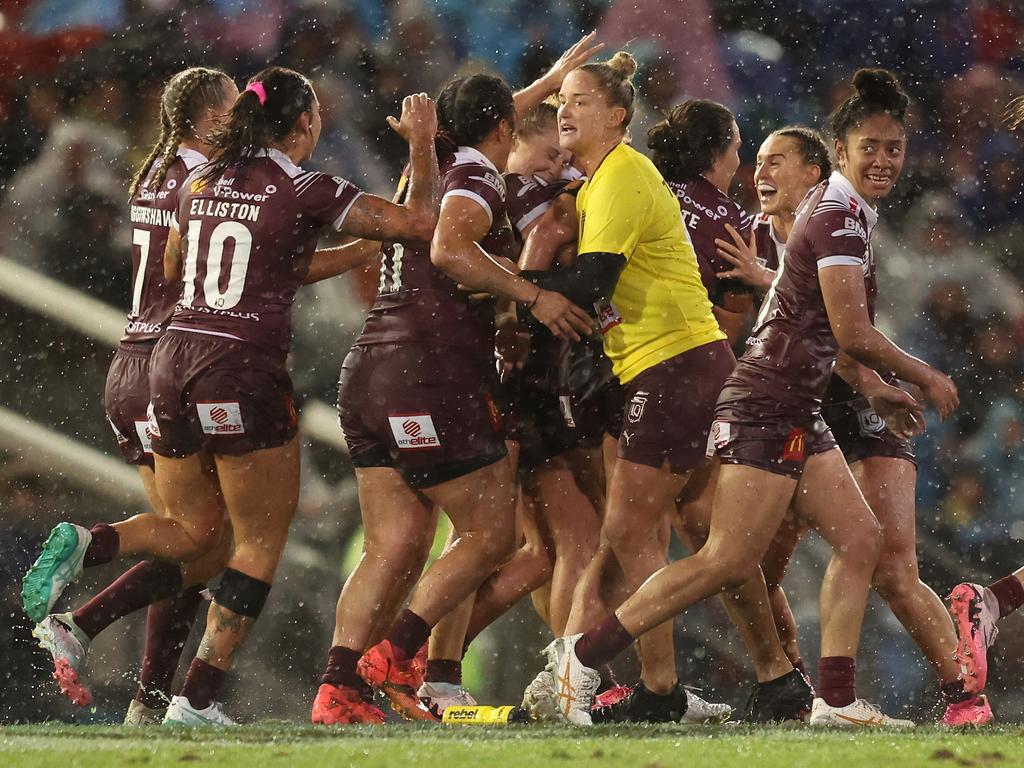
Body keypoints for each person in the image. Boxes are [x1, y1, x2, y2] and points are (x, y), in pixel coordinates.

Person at [532, 67, 960, 728]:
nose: (883, 159)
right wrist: (922, 375)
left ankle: (834, 703)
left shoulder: (830, 215)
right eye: (868, 146)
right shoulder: (835, 216)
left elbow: (812, 325)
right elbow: (846, 329)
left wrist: (873, 382)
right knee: (720, 556)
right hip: (762, 397)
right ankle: (586, 656)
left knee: (859, 540)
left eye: (893, 147)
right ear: (838, 155)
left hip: (784, 398)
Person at [23, 65, 443, 725]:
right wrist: (421, 143)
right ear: (304, 123)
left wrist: (329, 254)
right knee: (258, 541)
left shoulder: (196, 178)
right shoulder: (301, 183)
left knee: (197, 537)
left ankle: (93, 553)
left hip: (167, 360)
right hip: (240, 365)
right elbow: (421, 222)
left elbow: (172, 265)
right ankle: (194, 699)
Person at [314, 73, 594, 726]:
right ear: (501, 132)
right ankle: (400, 658)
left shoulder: (431, 163)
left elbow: (482, 128)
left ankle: (338, 689)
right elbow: (448, 247)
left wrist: (552, 79)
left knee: (396, 543)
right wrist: (531, 295)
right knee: (492, 532)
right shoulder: (475, 173)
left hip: (370, 370)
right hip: (428, 373)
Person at [509, 50, 739, 725]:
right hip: (669, 364)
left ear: (618, 116)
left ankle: (595, 670)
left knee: (645, 535)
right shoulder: (600, 182)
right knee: (645, 538)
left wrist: (501, 286)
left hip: (674, 365)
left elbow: (588, 286)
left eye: (581, 101)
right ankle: (664, 687)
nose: (566, 112)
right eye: (562, 103)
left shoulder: (618, 178)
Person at [25, 67, 239, 725]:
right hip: (172, 366)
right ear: (210, 118)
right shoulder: (205, 182)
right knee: (203, 535)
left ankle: (145, 700)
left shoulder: (155, 172)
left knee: (198, 546)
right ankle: (87, 549)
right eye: (234, 109)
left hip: (131, 362)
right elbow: (184, 267)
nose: (241, 120)